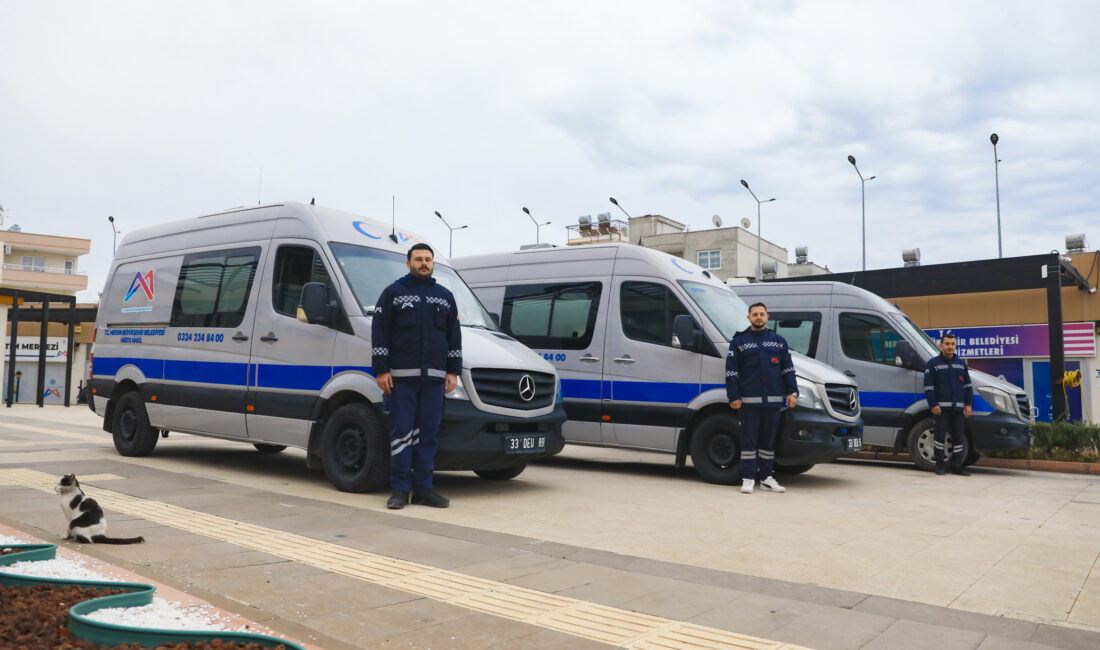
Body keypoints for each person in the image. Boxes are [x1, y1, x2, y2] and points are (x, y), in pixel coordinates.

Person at [371, 243, 462, 509]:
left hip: (434, 380)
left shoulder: (444, 296)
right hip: (401, 380)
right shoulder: (393, 293)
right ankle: (399, 490)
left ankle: (424, 490)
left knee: (428, 435)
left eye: (428, 259)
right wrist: (381, 370)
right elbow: (380, 332)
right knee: (401, 434)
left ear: (433, 263)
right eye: (418, 259)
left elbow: (453, 336)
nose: (424, 263)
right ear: (408, 262)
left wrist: (453, 371)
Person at [726, 302, 798, 494]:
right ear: (748, 317)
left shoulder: (779, 341)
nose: (758, 317)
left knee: (768, 442)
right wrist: (733, 395)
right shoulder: (739, 342)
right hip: (748, 402)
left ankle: (767, 478)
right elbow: (732, 371)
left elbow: (788, 369)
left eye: (762, 314)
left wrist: (792, 392)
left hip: (774, 402)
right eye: (755, 314)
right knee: (749, 441)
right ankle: (748, 478)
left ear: (768, 317)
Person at [924, 332, 973, 476]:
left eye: (952, 344)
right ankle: (940, 465)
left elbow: (968, 386)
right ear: (941, 345)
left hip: (958, 409)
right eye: (947, 344)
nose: (950, 347)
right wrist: (933, 404)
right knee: (939, 437)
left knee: (959, 438)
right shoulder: (933, 364)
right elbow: (928, 387)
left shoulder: (961, 363)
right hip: (941, 409)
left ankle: (956, 466)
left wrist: (968, 405)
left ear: (955, 345)